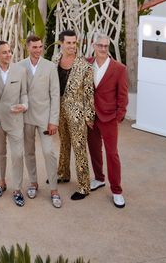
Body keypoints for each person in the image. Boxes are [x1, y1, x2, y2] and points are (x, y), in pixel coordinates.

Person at [87, 34, 129, 208]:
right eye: (100, 45)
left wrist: (118, 116)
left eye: (106, 46)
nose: (103, 49)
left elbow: (123, 95)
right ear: (93, 45)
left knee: (112, 154)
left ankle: (117, 191)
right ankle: (99, 178)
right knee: (94, 150)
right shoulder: (86, 63)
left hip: (109, 116)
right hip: (90, 117)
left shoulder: (119, 68)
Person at [21, 35, 62, 208]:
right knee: (28, 151)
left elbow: (55, 94)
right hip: (26, 117)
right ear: (28, 47)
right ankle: (33, 183)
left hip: (45, 118)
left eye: (40, 47)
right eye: (35, 47)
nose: (38, 50)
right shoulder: (20, 66)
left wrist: (54, 121)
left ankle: (53, 189)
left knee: (48, 152)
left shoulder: (50, 66)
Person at [53, 30, 95, 200]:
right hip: (58, 110)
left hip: (77, 112)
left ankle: (84, 186)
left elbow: (89, 93)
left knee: (79, 148)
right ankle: (63, 173)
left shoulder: (85, 66)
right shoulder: (55, 60)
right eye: (68, 43)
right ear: (61, 43)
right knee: (63, 143)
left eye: (74, 43)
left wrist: (89, 116)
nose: (71, 46)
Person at [0, 40, 29, 207]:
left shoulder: (20, 71)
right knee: (0, 154)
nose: (9, 54)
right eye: (4, 52)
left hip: (15, 119)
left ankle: (17, 189)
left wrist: (24, 105)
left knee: (18, 155)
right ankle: (1, 183)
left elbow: (24, 93)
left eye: (10, 51)